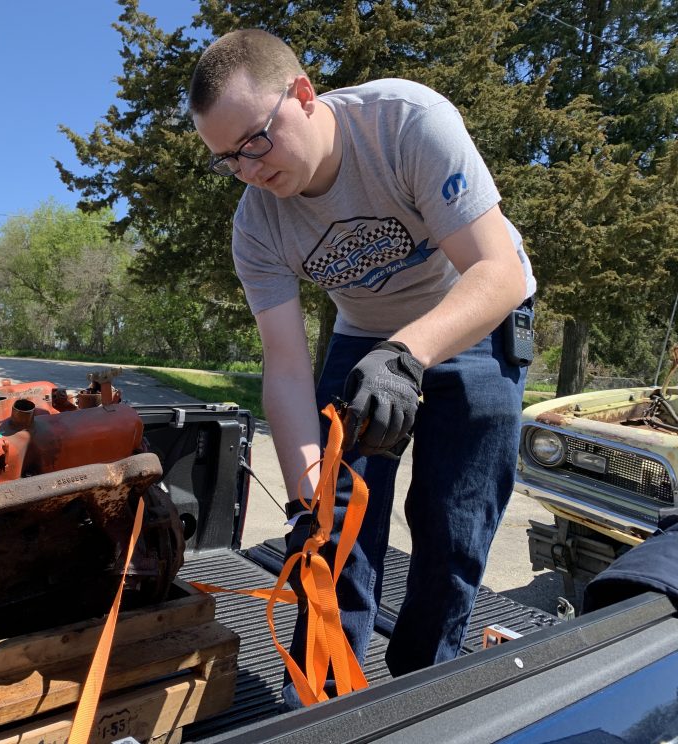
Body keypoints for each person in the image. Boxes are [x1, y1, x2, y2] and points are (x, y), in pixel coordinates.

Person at [189, 29, 536, 691]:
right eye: (227, 160)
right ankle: (320, 699)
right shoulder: (256, 224)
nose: (250, 171)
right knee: (331, 529)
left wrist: (407, 355)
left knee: (451, 526)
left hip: (475, 317)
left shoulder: (406, 124)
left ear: (303, 94)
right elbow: (286, 366)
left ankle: (420, 692)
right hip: (365, 336)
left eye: (255, 142)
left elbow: (499, 274)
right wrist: (301, 496)